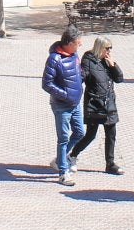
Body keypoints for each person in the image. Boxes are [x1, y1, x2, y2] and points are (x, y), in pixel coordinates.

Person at [69, 36, 124, 175]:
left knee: (111, 134)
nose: (109, 51)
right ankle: (73, 155)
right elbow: (83, 76)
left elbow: (119, 79)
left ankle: (110, 164)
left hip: (109, 103)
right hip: (94, 103)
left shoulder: (108, 62)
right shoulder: (88, 59)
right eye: (107, 48)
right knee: (90, 135)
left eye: (110, 48)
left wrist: (114, 65)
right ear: (100, 47)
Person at [41, 26, 85, 187]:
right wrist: (65, 94)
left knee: (80, 132)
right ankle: (63, 172)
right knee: (63, 138)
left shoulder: (74, 55)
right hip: (62, 105)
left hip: (75, 103)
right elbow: (47, 83)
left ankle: (59, 159)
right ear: (70, 43)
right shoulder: (54, 59)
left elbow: (77, 73)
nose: (80, 46)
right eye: (78, 43)